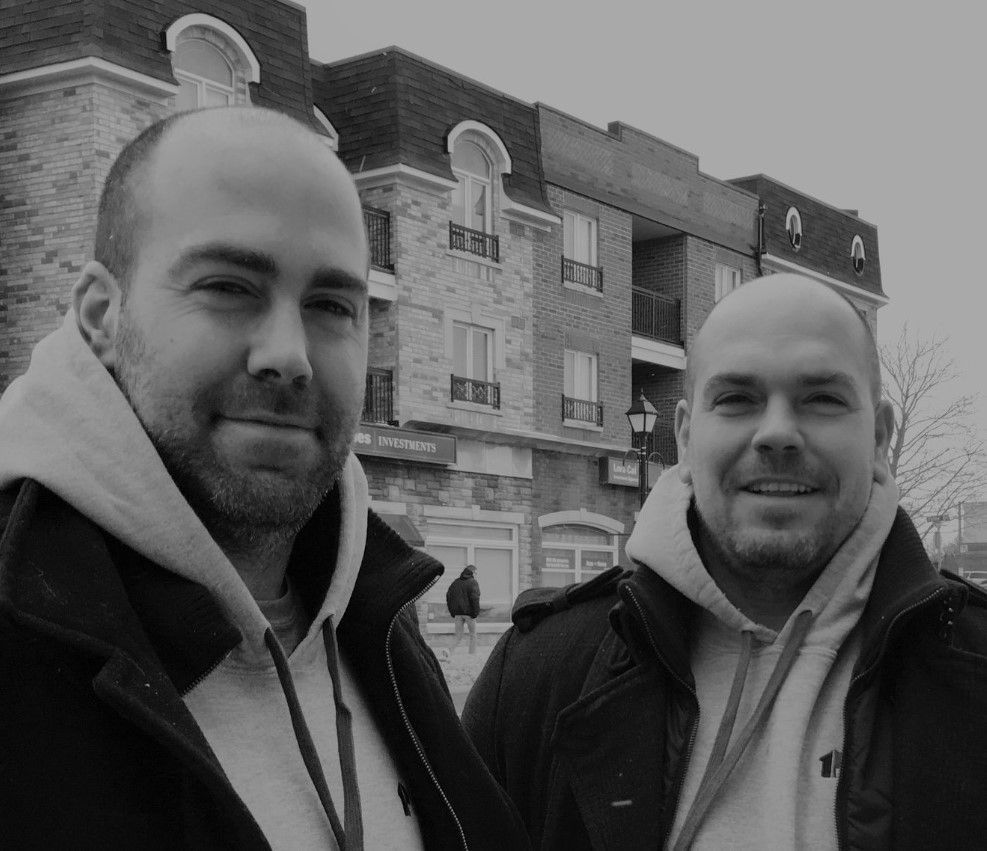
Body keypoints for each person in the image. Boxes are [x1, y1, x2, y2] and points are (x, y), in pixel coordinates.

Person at [0, 106, 528, 850]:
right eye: (228, 286)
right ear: (99, 315)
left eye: (330, 305)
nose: (288, 353)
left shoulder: (381, 622)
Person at [464, 274, 987, 849]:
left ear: (881, 437)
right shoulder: (536, 677)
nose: (778, 433)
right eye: (737, 399)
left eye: (823, 399)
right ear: (685, 438)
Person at [446, 565, 481, 654]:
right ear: (472, 572)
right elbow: (475, 598)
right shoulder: (473, 582)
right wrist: (475, 613)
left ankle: (448, 650)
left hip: (457, 614)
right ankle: (472, 655)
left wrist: (452, 612)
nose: (477, 575)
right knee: (473, 635)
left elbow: (448, 596)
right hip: (469, 614)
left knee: (458, 635)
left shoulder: (455, 582)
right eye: (476, 573)